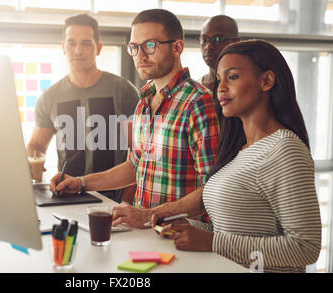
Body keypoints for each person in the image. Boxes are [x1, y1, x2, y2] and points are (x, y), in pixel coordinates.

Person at [150, 40, 321, 273]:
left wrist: (212, 242)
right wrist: (187, 226)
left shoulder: (285, 150)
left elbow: (305, 248)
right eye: (219, 79)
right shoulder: (239, 151)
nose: (220, 88)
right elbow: (236, 233)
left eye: (232, 77)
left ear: (266, 81)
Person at [50, 9, 219, 224]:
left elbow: (213, 187)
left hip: (181, 236)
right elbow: (135, 165)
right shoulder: (144, 102)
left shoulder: (198, 102)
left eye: (150, 45)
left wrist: (148, 215)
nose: (140, 55)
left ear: (177, 47)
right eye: (134, 47)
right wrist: (81, 183)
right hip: (145, 232)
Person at [26, 13, 139, 202]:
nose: (78, 50)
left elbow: (139, 156)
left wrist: (126, 203)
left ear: (99, 48)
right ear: (63, 48)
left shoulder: (123, 91)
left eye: (86, 43)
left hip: (114, 200)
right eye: (71, 43)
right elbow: (36, 146)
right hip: (66, 196)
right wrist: (29, 161)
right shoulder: (50, 97)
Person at [199, 15, 240, 93]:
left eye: (218, 39)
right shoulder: (195, 88)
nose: (209, 46)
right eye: (204, 39)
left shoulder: (245, 85)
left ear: (235, 42)